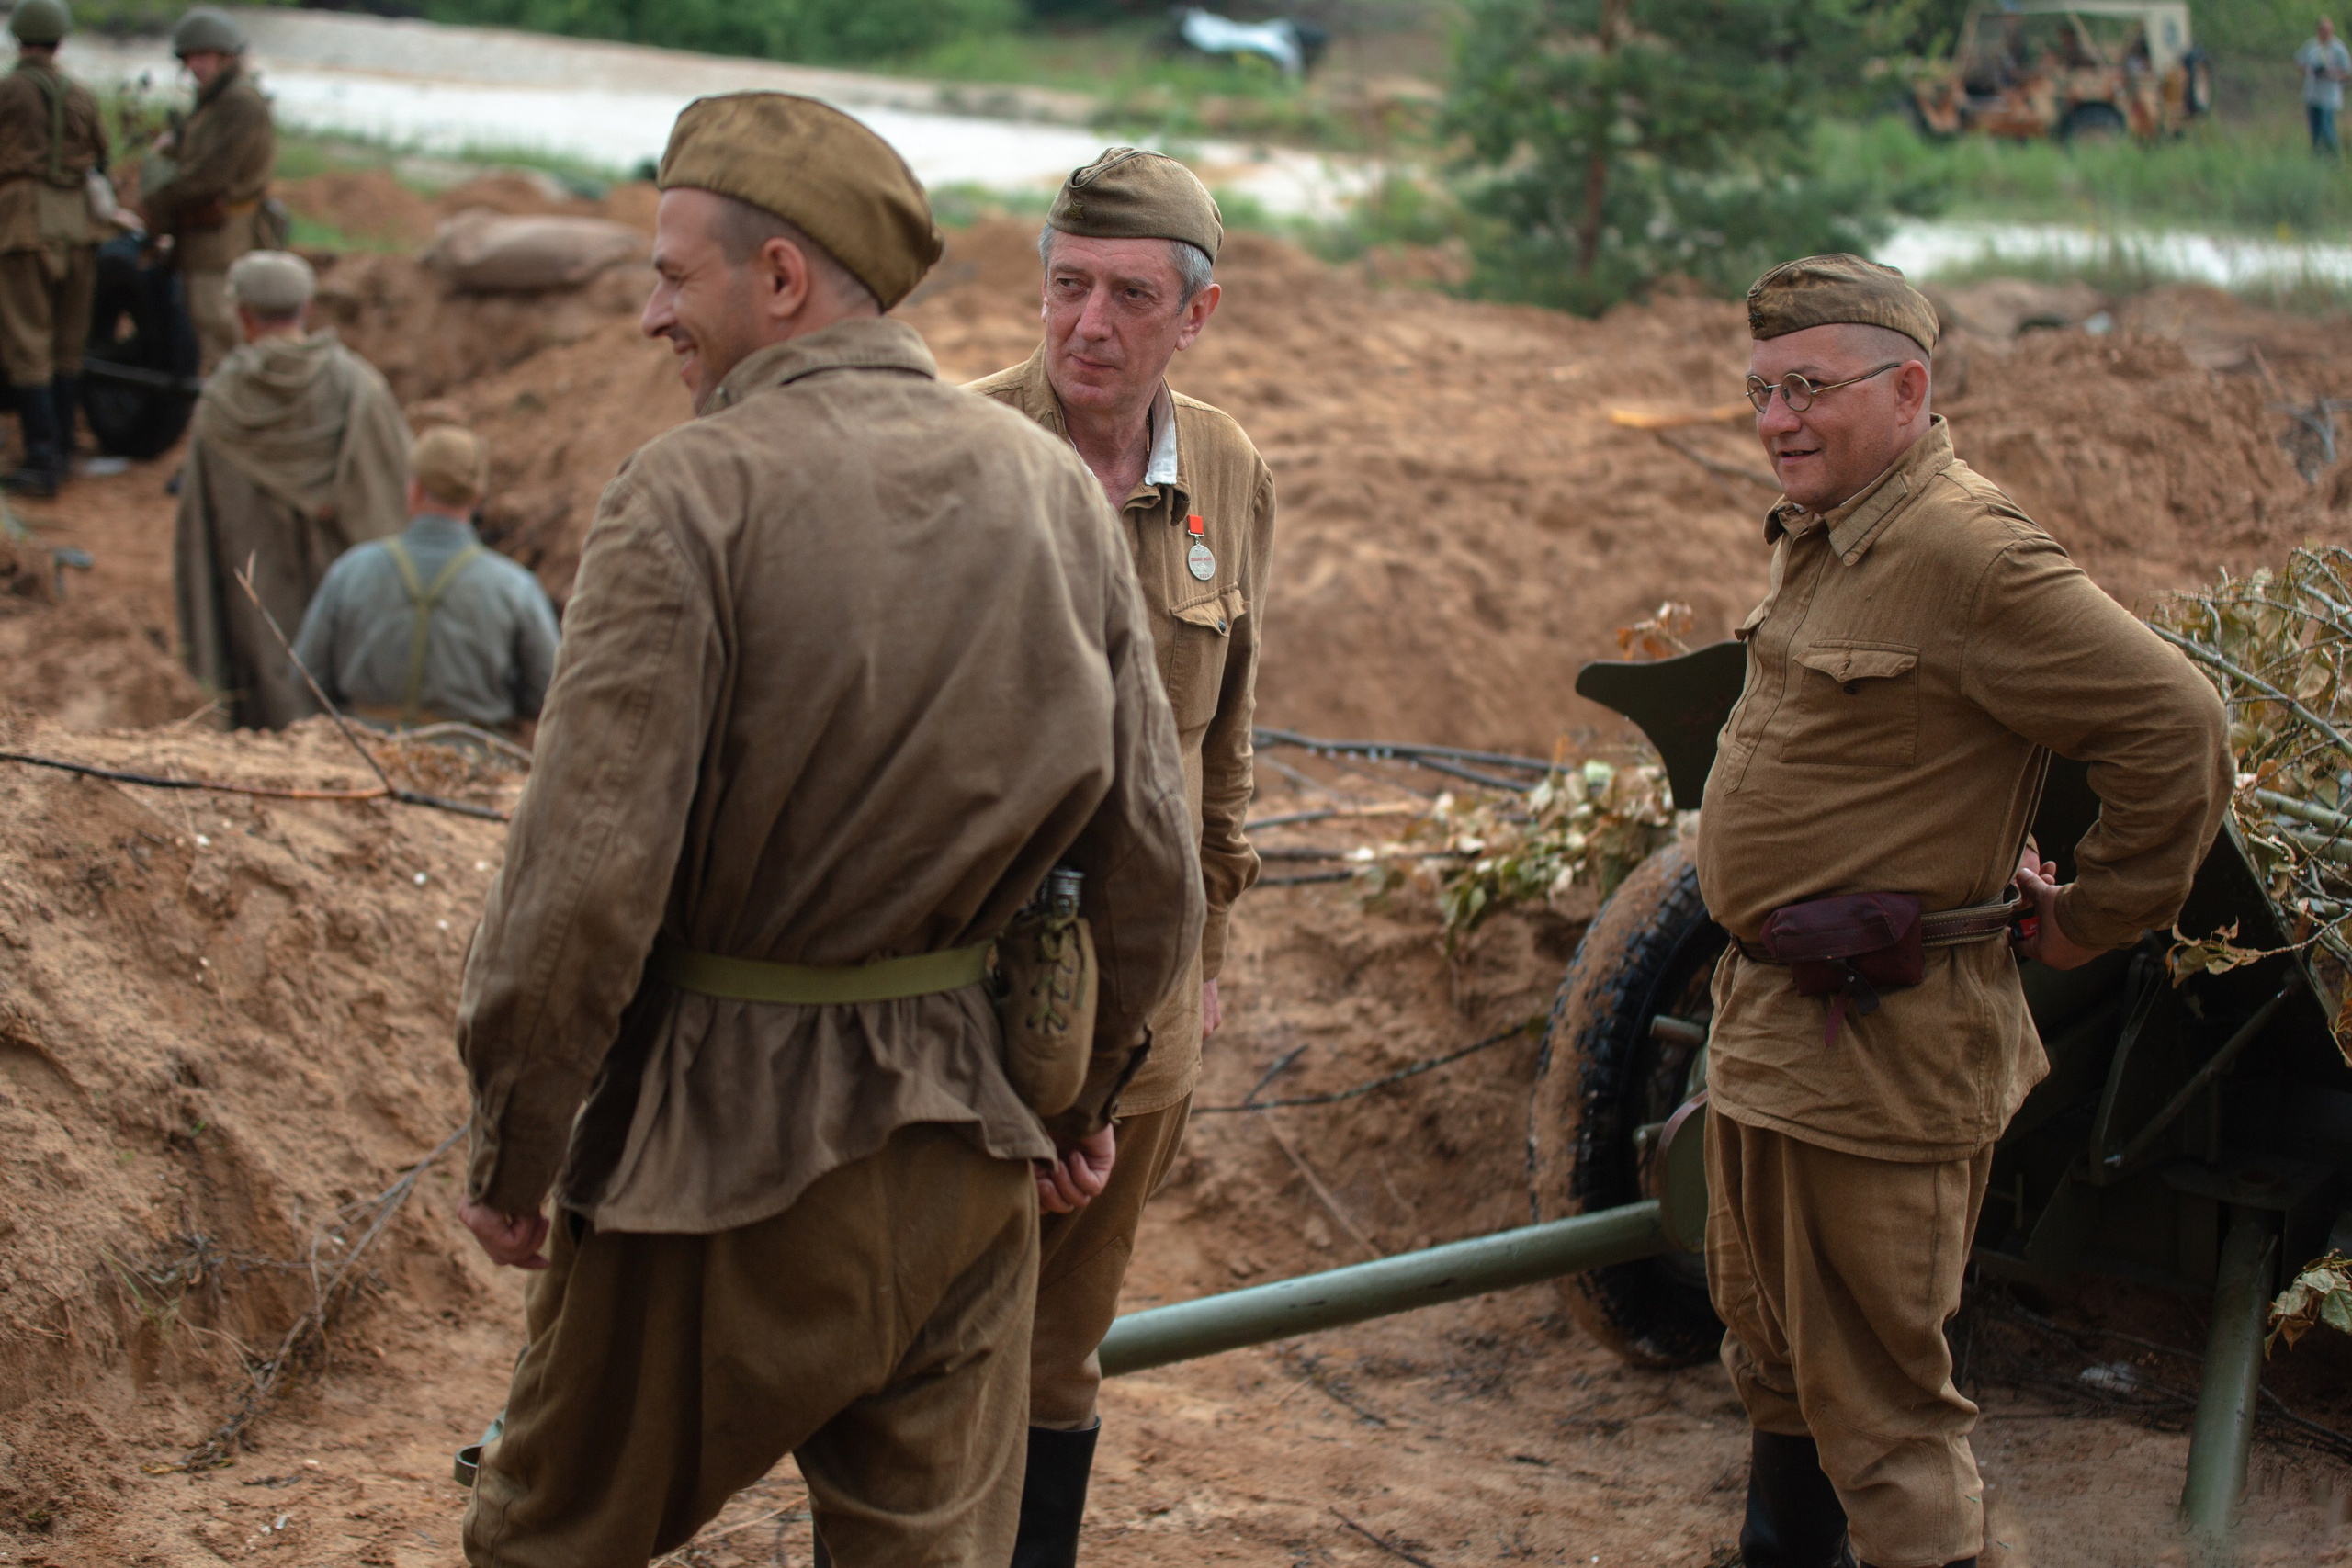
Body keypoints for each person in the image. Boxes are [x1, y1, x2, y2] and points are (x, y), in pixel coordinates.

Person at [452, 93, 1202, 1568]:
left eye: (675, 274)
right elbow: (1149, 868)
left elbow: (583, 883)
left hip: (710, 1164)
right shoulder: (1052, 488)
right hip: (966, 1155)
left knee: (545, 1538)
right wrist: (1079, 1097)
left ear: (780, 279)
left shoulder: (688, 494)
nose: (652, 313)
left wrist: (515, 1140)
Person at [1695, 254, 2233, 1568]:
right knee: (1777, 1368)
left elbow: (2179, 728)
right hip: (1773, 1032)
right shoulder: (1837, 530)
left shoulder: (1964, 549)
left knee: (1885, 1419)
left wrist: (2090, 918)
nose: (1777, 419)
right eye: (1762, 390)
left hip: (1880, 1049)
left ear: (1909, 387)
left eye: (1810, 387)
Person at [967, 146, 1272, 1567]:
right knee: (920, 1327)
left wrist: (1203, 947)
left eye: (1130, 296)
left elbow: (1226, 747)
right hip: (956, 994)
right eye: (1067, 284)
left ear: (1194, 315)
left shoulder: (1225, 469)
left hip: (1139, 994)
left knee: (1060, 1347)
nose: (1088, 323)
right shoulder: (956, 451)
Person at [173, 250, 410, 729]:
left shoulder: (222, 402)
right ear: (306, 309)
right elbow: (396, 494)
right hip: (349, 591)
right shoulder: (359, 386)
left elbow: (199, 531)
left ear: (242, 315)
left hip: (259, 587)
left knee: (270, 654)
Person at [290, 425, 560, 734]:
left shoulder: (351, 570)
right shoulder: (516, 588)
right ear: (477, 497)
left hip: (364, 756)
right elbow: (548, 693)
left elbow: (307, 675)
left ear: (415, 490)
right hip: (473, 765)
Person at [0, 0, 109, 498]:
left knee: (29, 343)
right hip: (79, 226)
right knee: (69, 345)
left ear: (18, 37)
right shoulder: (81, 93)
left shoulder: (11, 91)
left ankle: (41, 459)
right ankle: (63, 449)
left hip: (24, 223)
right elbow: (103, 155)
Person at [140, 6, 275, 374]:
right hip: (205, 237)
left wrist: (156, 199)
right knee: (209, 330)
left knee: (221, 332)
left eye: (204, 55)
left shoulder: (238, 102)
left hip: (221, 238)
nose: (195, 65)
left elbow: (211, 175)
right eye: (189, 58)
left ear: (226, 55)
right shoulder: (216, 98)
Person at [2299, 17, 2350, 153]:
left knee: (2327, 129)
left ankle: (2334, 157)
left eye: (2328, 30)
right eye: (2323, 30)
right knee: (2315, 131)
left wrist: (2332, 74)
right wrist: (2311, 71)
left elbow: (2348, 72)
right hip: (2312, 94)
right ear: (2318, 30)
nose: (2325, 33)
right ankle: (2317, 157)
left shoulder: (2338, 48)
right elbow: (2300, 63)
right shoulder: (2311, 46)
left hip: (2329, 96)